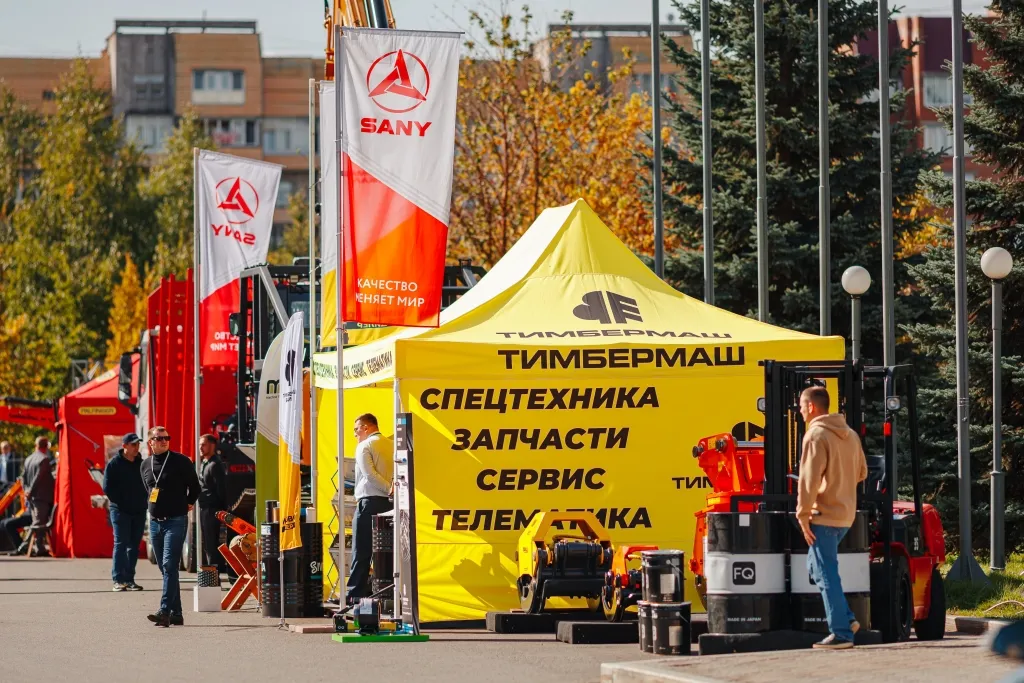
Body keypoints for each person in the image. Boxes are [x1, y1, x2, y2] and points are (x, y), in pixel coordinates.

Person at [795, 386, 869, 650]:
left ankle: (841, 633)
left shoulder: (815, 435)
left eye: (801, 406)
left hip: (823, 515)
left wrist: (802, 513)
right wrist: (840, 484)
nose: (800, 411)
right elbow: (862, 472)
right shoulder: (850, 435)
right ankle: (847, 619)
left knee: (826, 574)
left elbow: (809, 480)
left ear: (811, 406)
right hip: (845, 515)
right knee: (816, 568)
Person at [140, 426, 200, 627]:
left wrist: (189, 502)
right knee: (165, 568)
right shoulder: (145, 465)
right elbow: (148, 489)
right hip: (155, 522)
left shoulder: (181, 461)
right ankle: (177, 613)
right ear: (151, 442)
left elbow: (195, 487)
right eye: (159, 438)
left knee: (169, 565)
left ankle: (164, 610)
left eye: (167, 437)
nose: (164, 441)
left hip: (176, 520)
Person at [346, 413, 394, 604]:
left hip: (369, 502)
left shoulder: (364, 446)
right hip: (389, 504)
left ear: (366, 427)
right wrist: (392, 491)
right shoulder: (392, 444)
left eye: (356, 429)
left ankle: (355, 595)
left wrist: (388, 488)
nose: (355, 434)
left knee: (361, 550)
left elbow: (369, 475)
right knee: (385, 552)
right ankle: (385, 594)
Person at [103, 433, 149, 592]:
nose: (137, 447)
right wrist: (121, 502)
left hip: (139, 510)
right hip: (120, 511)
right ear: (124, 446)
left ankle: (129, 579)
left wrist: (144, 501)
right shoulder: (114, 464)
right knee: (121, 543)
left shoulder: (141, 464)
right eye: (133, 444)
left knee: (134, 546)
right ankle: (118, 579)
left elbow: (148, 484)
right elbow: (107, 487)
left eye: (138, 444)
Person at [197, 433, 226, 570]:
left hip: (212, 509)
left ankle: (214, 575)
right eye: (200, 445)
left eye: (204, 444)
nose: (200, 447)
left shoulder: (215, 465)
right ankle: (211, 573)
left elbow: (221, 489)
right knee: (207, 544)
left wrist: (221, 510)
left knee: (212, 543)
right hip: (204, 508)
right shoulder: (204, 463)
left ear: (212, 445)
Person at [22, 436, 55, 557]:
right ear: (46, 446)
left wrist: (26, 490)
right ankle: (27, 545)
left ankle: (38, 547)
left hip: (32, 497)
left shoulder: (28, 459)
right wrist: (30, 491)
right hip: (41, 496)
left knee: (37, 521)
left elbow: (23, 477)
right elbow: (38, 478)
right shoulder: (44, 459)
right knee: (39, 522)